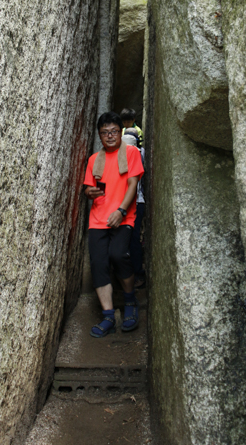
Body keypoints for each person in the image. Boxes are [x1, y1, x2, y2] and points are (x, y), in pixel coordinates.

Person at [84, 111, 144, 338]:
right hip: (98, 219)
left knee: (119, 255)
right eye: (104, 132)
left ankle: (130, 301)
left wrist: (121, 211)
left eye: (114, 131)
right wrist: (89, 191)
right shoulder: (93, 159)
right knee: (99, 264)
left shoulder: (131, 153)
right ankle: (108, 315)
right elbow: (88, 188)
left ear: (120, 132)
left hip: (123, 217)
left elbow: (132, 184)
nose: (109, 136)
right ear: (100, 135)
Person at [122, 128, 146, 289]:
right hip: (135, 203)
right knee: (130, 241)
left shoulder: (134, 159)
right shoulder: (139, 155)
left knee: (132, 241)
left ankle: (137, 274)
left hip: (134, 204)